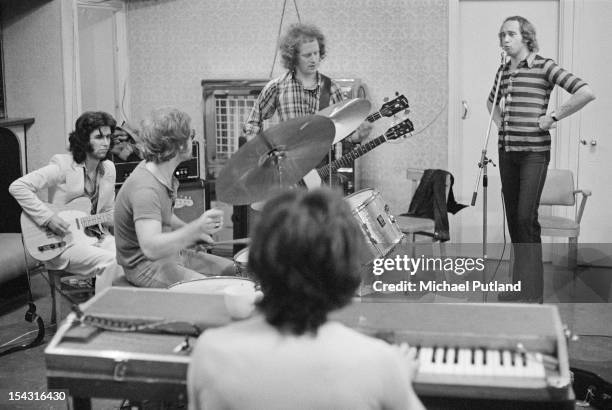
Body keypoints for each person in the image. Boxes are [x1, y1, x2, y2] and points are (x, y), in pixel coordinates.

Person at [187, 188, 424, 410]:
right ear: (346, 272)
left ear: (258, 262)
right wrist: (398, 379)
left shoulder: (210, 352)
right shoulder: (379, 362)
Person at [487, 16, 595, 302]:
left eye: (510, 34)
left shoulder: (544, 66)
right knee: (514, 222)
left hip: (534, 153)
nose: (504, 40)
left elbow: (585, 91)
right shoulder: (502, 71)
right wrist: (502, 124)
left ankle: (532, 294)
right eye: (501, 35)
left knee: (526, 218)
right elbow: (490, 102)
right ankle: (518, 289)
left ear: (526, 37)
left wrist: (554, 116)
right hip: (507, 152)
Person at [114, 107, 234, 288]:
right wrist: (194, 228)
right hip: (143, 265)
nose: (193, 140)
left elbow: (164, 215)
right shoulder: (145, 189)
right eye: (190, 135)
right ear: (177, 145)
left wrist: (193, 234)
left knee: (234, 270)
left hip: (168, 254)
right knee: (219, 289)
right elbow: (151, 248)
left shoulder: (161, 172)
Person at [242, 23, 371, 185]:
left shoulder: (331, 88)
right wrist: (262, 155)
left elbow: (344, 135)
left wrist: (357, 137)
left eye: (316, 53)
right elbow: (252, 123)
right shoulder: (277, 87)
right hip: (287, 174)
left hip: (322, 173)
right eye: (307, 55)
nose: (314, 59)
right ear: (293, 57)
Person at [9, 111, 123, 293]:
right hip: (64, 243)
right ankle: (101, 315)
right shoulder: (63, 166)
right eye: (99, 137)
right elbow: (18, 186)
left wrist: (128, 218)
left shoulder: (108, 169)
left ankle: (123, 311)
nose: (106, 143)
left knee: (130, 257)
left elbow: (109, 213)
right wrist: (48, 218)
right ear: (84, 140)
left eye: (108, 137)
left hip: (97, 236)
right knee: (111, 262)